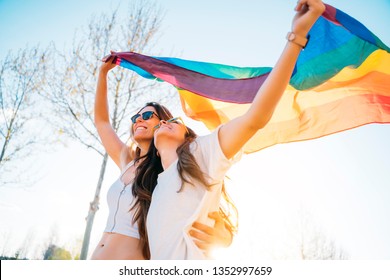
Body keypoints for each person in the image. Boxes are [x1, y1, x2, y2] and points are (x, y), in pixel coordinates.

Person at [141, 0, 326, 259]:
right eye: (158, 123)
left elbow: (255, 117)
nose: (164, 123)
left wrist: (296, 38)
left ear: (187, 137)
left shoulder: (200, 152)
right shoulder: (155, 186)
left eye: (173, 121)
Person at [91, 60, 233, 259]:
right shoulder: (127, 160)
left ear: (163, 122)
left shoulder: (169, 168)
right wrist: (103, 73)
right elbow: (102, 122)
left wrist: (225, 237)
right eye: (136, 118)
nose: (139, 120)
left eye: (148, 115)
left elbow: (207, 202)